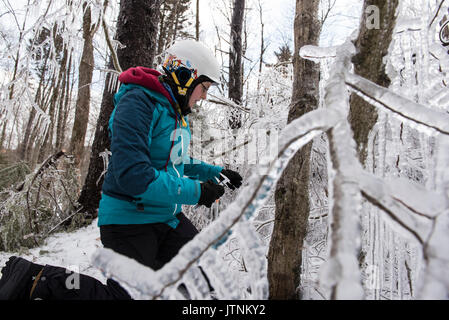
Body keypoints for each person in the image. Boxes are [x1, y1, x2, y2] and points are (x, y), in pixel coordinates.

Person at [0, 39, 243, 300]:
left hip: (166, 219)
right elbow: (134, 175)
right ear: (185, 76)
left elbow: (173, 161)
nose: (204, 96)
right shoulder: (138, 102)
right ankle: (35, 279)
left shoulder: (172, 110)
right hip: (129, 220)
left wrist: (214, 172)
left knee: (203, 280)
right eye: (204, 87)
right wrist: (197, 192)